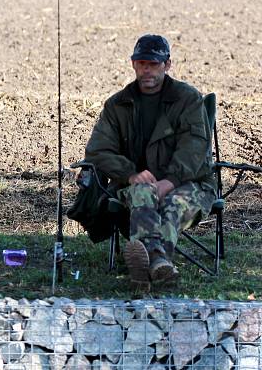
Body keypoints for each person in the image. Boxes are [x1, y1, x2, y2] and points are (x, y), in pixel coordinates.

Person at [84, 34, 216, 289]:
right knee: (142, 192)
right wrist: (131, 174)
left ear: (167, 65)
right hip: (134, 184)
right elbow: (98, 151)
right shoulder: (117, 105)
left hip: (190, 183)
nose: (147, 70)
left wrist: (170, 181)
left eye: (154, 64)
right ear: (133, 64)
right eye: (142, 63)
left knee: (172, 203)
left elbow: (195, 148)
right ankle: (157, 261)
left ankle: (146, 262)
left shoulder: (187, 99)